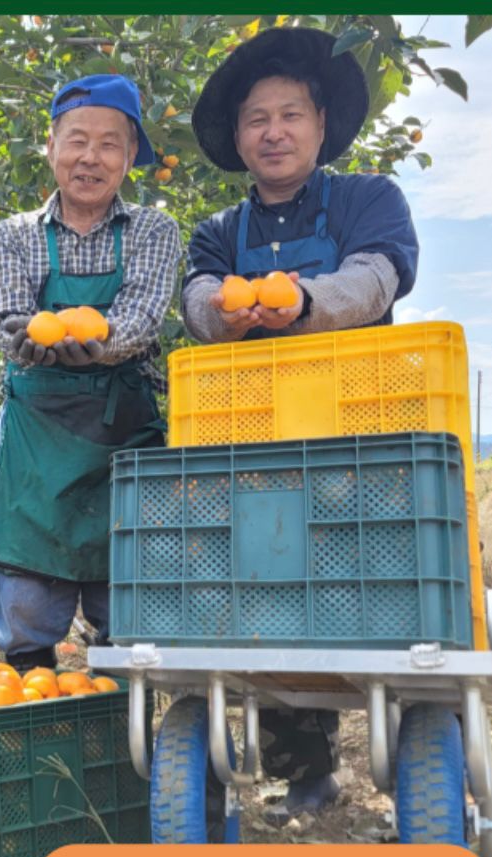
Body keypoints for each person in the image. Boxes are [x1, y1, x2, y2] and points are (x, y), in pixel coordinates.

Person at [183, 25, 420, 817]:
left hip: (360, 427)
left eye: (289, 114)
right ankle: (307, 771)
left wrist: (299, 302)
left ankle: (419, 740)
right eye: (256, 118)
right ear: (240, 138)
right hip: (257, 443)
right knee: (272, 592)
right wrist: (224, 310)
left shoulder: (368, 198)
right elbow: (195, 301)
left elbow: (377, 277)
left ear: (320, 124)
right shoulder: (220, 231)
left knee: (385, 587)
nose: (273, 131)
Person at [0, 75, 181, 670]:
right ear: (50, 147)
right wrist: (28, 340)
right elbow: (7, 320)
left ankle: (121, 740)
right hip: (36, 450)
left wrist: (99, 342)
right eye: (76, 141)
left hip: (123, 443)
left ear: (129, 159)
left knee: (129, 613)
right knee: (25, 616)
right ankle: (33, 731)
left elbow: (141, 319)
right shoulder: (13, 236)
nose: (90, 158)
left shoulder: (153, 230)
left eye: (110, 144)